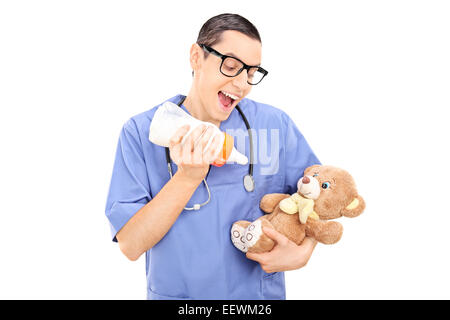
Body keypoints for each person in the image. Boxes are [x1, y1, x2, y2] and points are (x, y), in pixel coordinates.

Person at [105, 13, 321, 300]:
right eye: (231, 66)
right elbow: (131, 245)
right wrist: (188, 178)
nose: (242, 83)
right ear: (196, 57)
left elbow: (322, 192)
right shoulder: (142, 132)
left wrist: (304, 251)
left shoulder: (274, 125)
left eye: (251, 73)